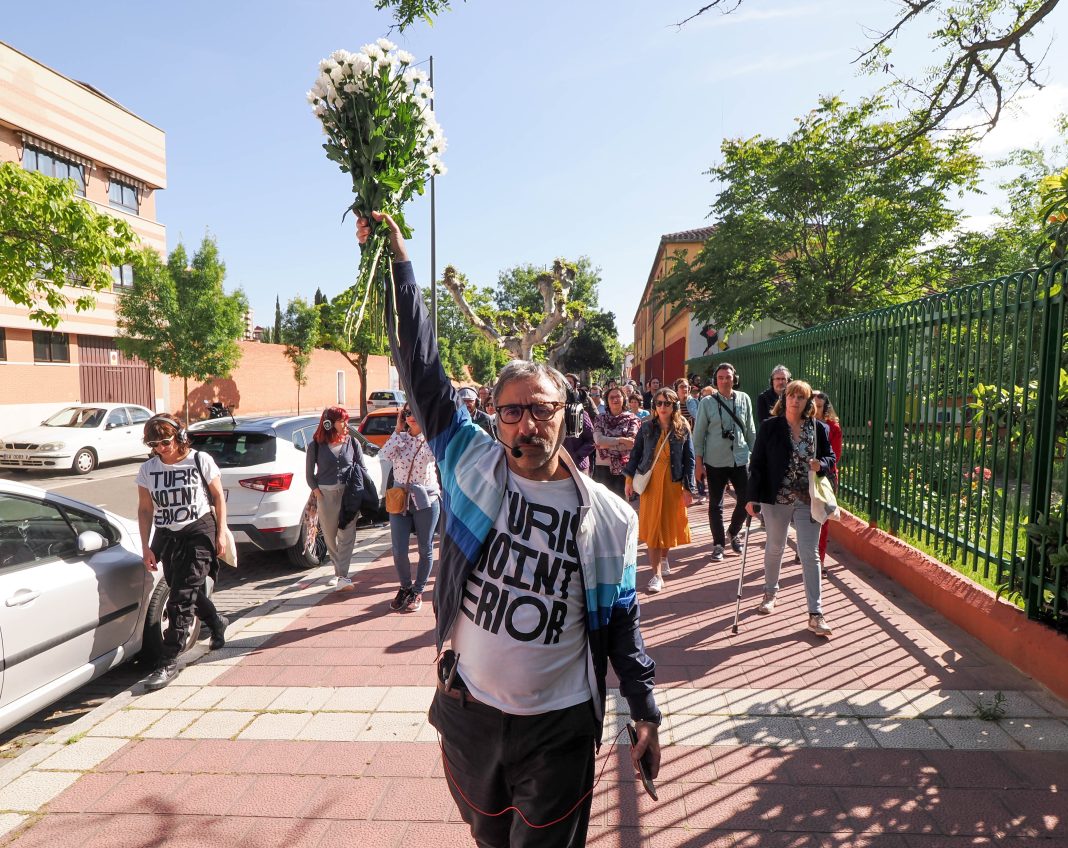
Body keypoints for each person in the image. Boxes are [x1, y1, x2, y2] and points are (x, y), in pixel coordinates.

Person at [361, 211, 660, 848]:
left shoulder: (611, 519)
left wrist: (644, 707)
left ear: (565, 414)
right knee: (490, 839)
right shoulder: (468, 462)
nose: (528, 425)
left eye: (542, 410)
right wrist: (399, 264)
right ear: (494, 418)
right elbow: (421, 368)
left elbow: (622, 624)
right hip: (469, 713)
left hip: (560, 727)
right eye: (513, 411)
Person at [137, 415, 229, 691]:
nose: (160, 448)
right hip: (166, 534)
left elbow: (218, 496)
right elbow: (145, 509)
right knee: (184, 588)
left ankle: (168, 661)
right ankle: (217, 622)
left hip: (198, 530)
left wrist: (221, 532)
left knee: (180, 598)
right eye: (154, 444)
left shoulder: (200, 460)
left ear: (179, 437)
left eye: (165, 442)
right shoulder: (148, 469)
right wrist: (146, 546)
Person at [745, 380, 837, 637]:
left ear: (807, 402)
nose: (795, 401)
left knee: (810, 553)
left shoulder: (818, 428)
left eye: (801, 397)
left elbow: (831, 457)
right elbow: (758, 463)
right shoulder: (770, 427)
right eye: (792, 396)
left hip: (808, 498)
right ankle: (770, 593)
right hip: (776, 497)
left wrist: (821, 464)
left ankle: (816, 614)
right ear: (784, 399)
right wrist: (751, 497)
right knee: (776, 546)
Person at [624, 388, 696, 594]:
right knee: (653, 529)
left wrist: (688, 488)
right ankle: (656, 575)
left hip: (673, 483)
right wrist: (629, 479)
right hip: (651, 484)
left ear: (674, 406)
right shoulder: (647, 426)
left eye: (667, 403)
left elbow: (689, 459)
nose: (663, 407)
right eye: (659, 403)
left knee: (668, 525)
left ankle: (664, 557)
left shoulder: (683, 427)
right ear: (654, 405)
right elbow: (636, 453)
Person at [693, 363, 757, 562]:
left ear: (734, 379)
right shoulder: (706, 403)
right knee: (716, 504)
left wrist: (757, 457)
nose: (724, 381)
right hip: (715, 461)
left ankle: (733, 532)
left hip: (740, 458)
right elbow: (699, 435)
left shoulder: (744, 398)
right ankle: (718, 544)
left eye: (728, 377)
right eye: (720, 377)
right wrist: (698, 464)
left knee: (746, 499)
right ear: (716, 380)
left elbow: (750, 430)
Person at [381, 405, 441, 612]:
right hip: (400, 499)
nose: (411, 417)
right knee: (399, 550)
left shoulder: (431, 440)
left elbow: (434, 457)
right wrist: (398, 430)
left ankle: (418, 590)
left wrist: (427, 428)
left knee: (425, 548)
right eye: (407, 413)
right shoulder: (400, 438)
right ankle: (405, 587)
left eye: (415, 412)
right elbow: (385, 454)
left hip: (426, 500)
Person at [306, 406, 364, 590]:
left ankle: (343, 576)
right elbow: (309, 475)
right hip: (326, 497)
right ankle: (339, 573)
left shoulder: (353, 443)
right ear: (328, 423)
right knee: (331, 537)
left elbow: (362, 469)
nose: (346, 424)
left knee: (347, 536)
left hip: (348, 497)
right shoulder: (315, 445)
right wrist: (317, 492)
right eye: (341, 421)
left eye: (346, 420)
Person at [593, 385, 640, 500]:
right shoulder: (600, 418)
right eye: (611, 397)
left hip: (624, 467)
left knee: (621, 503)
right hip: (602, 466)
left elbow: (631, 443)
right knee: (602, 503)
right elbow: (598, 440)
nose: (615, 399)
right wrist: (621, 440)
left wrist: (605, 445)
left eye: (618, 396)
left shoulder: (633, 419)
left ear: (624, 399)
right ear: (607, 401)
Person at [813, 391, 843, 565]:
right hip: (805, 475)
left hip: (826, 476)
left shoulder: (833, 427)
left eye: (818, 406)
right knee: (805, 515)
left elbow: (835, 456)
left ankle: (820, 559)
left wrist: (819, 466)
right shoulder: (801, 424)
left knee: (823, 518)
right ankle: (807, 550)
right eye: (812, 405)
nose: (815, 409)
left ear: (825, 408)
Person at [675, 378, 706, 504]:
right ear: (676, 389)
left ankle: (701, 492)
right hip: (679, 438)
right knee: (682, 465)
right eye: (682, 387)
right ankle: (686, 492)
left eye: (687, 386)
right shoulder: (674, 403)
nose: (685, 389)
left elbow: (699, 417)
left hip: (694, 437)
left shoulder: (694, 401)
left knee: (697, 464)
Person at [563, 404, 596, 475]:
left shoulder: (580, 413)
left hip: (578, 466)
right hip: (557, 467)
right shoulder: (549, 414)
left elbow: (592, 439)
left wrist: (578, 455)